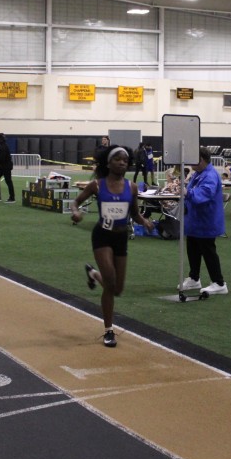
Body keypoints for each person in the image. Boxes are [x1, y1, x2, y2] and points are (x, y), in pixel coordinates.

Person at [71, 145, 155, 347]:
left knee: (117, 289)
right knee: (110, 281)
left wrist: (144, 221)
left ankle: (93, 274)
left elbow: (135, 214)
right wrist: (76, 212)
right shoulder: (97, 185)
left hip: (121, 238)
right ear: (108, 163)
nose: (122, 163)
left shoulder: (131, 187)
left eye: (125, 160)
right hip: (102, 236)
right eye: (117, 159)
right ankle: (109, 330)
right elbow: (76, 202)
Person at [178, 146, 228, 295]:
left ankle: (219, 283)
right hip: (195, 220)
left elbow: (204, 193)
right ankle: (194, 278)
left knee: (208, 251)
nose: (190, 162)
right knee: (192, 249)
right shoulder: (198, 173)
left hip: (206, 220)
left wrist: (188, 192)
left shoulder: (210, 175)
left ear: (201, 159)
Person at [0, 133, 15, 203]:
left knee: (8, 181)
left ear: (0, 139)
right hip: (2, 166)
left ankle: (12, 198)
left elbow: (2, 158)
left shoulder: (3, 147)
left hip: (6, 166)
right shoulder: (2, 146)